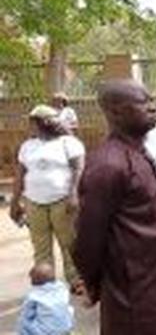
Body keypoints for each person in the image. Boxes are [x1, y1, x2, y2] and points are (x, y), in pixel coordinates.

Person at [73, 79, 156, 334]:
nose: (152, 107)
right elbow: (87, 241)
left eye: (152, 100)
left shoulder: (139, 152)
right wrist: (95, 284)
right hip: (140, 296)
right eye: (143, 102)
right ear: (115, 111)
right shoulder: (108, 164)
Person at [10, 105, 85, 294]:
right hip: (33, 202)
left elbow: (79, 169)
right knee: (40, 245)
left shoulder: (68, 142)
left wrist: (74, 193)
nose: (30, 126)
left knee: (69, 242)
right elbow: (20, 175)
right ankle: (46, 284)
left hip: (62, 201)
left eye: (32, 122)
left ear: (44, 123)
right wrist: (15, 201)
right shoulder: (28, 146)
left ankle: (76, 280)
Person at [16, 262, 74, 335]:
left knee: (24, 321)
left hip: (45, 332)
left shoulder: (34, 296)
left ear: (34, 281)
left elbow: (26, 315)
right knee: (67, 309)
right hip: (66, 328)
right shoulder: (62, 289)